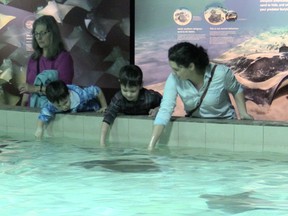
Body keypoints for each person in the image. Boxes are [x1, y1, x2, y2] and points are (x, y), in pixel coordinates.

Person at [148, 42, 253, 150]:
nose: (173, 73)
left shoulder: (220, 73)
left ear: (191, 66)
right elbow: (165, 109)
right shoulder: (174, 78)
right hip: (196, 127)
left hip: (224, 126)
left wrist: (243, 113)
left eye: (177, 69)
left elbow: (236, 89)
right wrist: (151, 146)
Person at [18, 15, 74, 108]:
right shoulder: (33, 59)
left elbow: (63, 91)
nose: (39, 37)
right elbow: (27, 93)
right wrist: (22, 110)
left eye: (43, 33)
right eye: (36, 34)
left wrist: (35, 89)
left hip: (53, 112)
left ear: (53, 33)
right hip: (31, 110)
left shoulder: (64, 58)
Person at [100, 65, 162, 147]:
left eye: (133, 91)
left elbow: (165, 104)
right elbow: (108, 116)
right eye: (125, 90)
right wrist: (102, 142)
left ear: (140, 86)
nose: (128, 94)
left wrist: (157, 109)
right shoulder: (119, 98)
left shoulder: (149, 97)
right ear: (120, 84)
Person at [34, 80, 107, 139]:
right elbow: (44, 113)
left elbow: (96, 90)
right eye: (59, 106)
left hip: (90, 108)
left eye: (65, 103)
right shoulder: (53, 104)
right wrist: (39, 128)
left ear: (69, 94)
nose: (63, 107)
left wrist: (104, 106)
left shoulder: (81, 95)